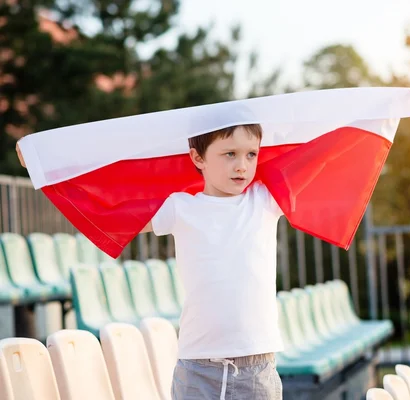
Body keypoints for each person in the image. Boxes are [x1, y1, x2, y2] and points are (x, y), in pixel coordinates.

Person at [18, 123, 284, 400]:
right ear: (198, 158)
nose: (242, 165)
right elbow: (110, 213)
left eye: (251, 154)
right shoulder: (181, 208)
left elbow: (313, 165)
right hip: (198, 367)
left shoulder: (264, 200)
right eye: (230, 154)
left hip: (257, 369)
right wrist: (43, 163)